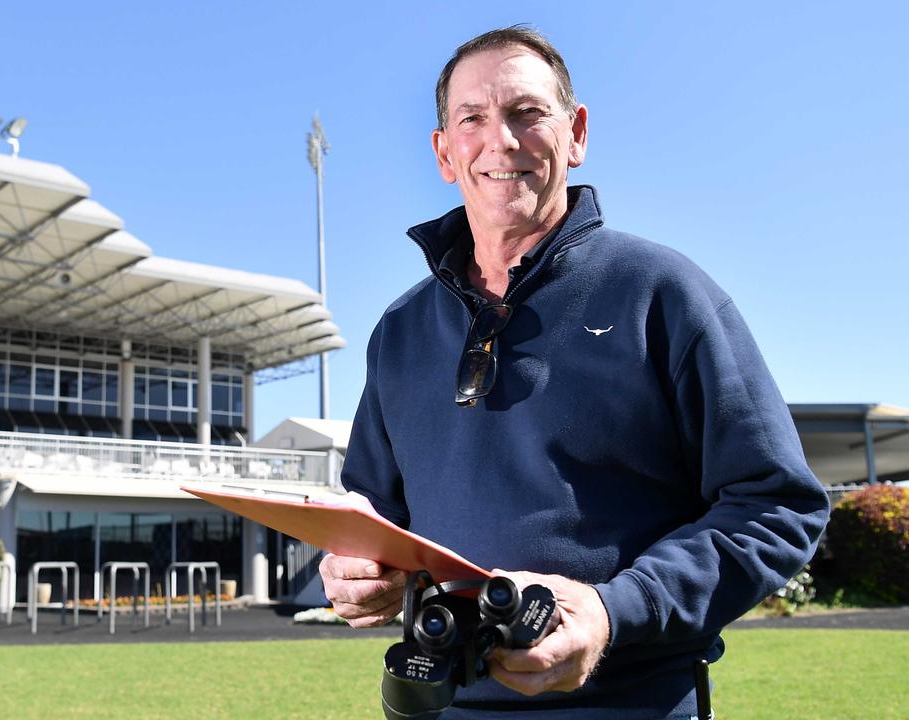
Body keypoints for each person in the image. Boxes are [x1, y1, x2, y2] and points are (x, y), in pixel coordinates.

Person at [319, 26, 830, 719]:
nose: (499, 140)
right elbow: (376, 514)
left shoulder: (662, 292)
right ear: (444, 152)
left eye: (526, 113)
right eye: (471, 118)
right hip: (443, 701)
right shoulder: (399, 332)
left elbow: (776, 505)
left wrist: (610, 612)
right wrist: (357, 570)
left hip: (633, 703)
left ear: (575, 132)